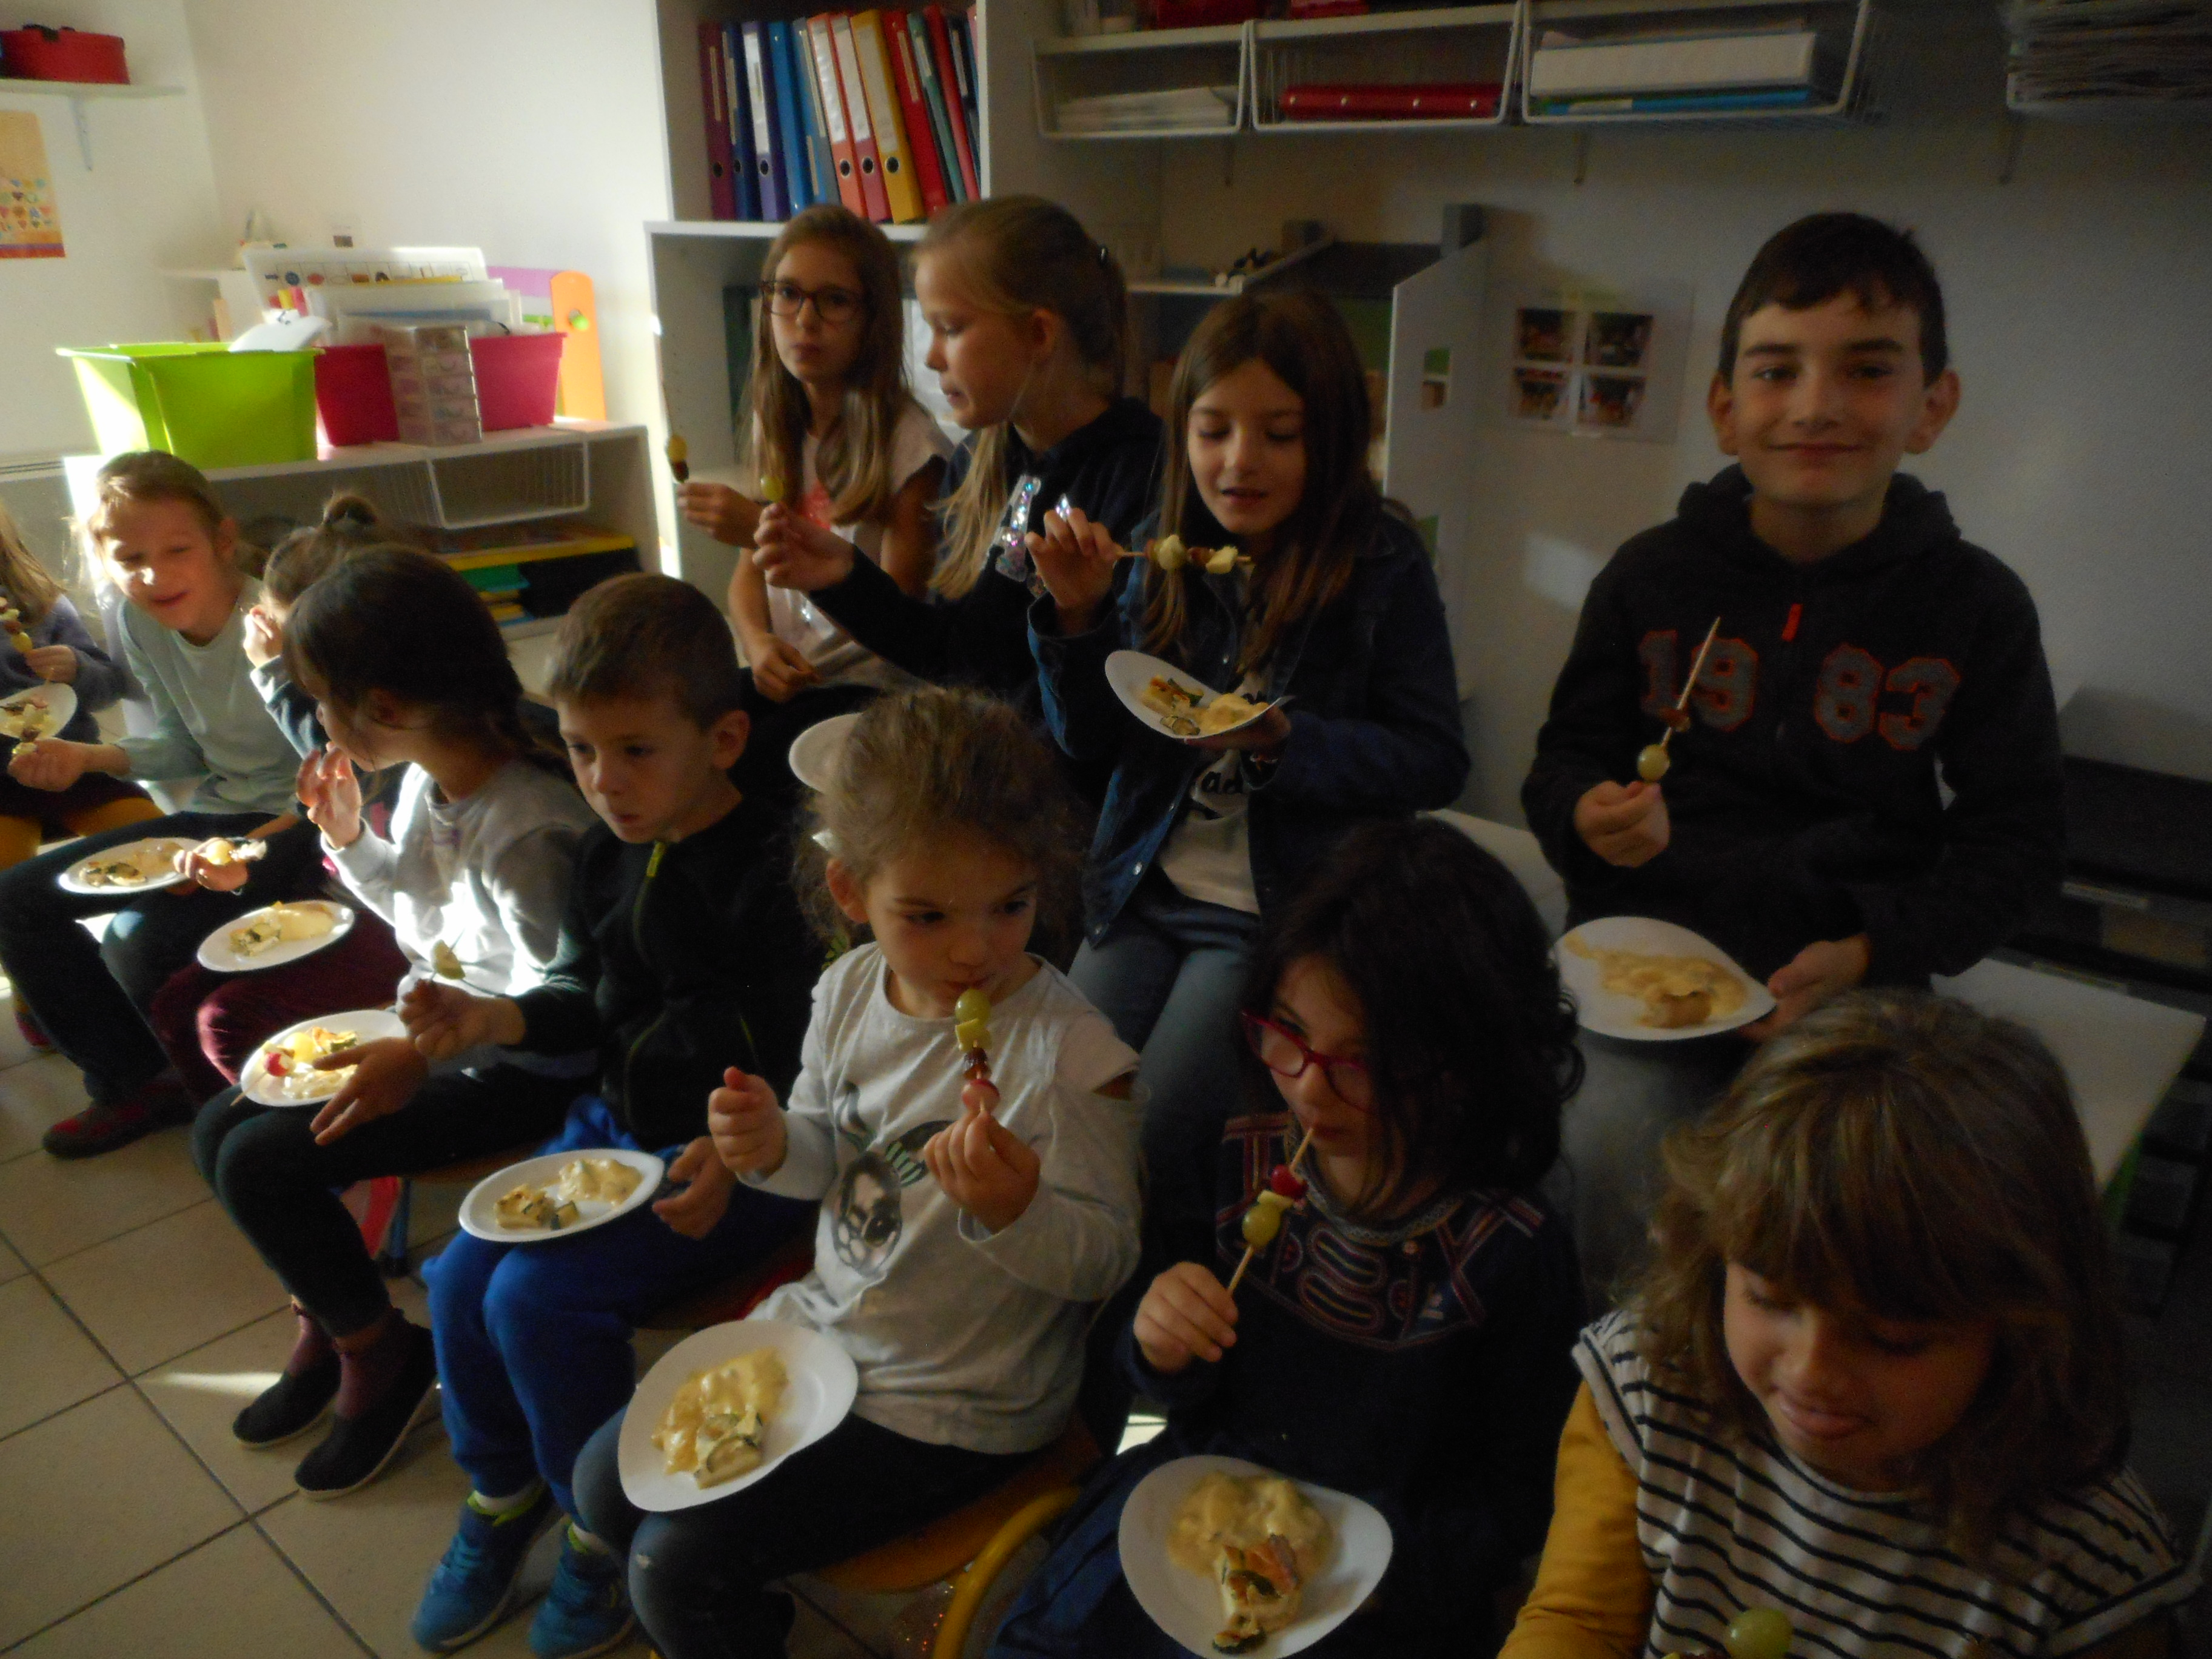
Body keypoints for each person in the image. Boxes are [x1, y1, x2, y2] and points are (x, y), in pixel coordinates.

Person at [1520, 213, 2066, 1299]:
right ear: (1725, 407)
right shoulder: (1648, 576)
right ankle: (1611, 1379)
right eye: (1776, 371)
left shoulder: (1976, 606)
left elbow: (2017, 844)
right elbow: (1563, 760)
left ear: (1931, 406)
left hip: (1854, 988)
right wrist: (1585, 813)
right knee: (1601, 1153)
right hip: (1648, 973)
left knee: (1848, 1215)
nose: (1816, 405)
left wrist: (1871, 948)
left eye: (1867, 370)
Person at [569, 686, 1144, 1659]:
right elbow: (827, 1158)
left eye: (1011, 906)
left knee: (676, 1572)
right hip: (827, 1334)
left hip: (964, 1399)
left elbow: (1107, 1259)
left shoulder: (1075, 1060)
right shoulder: (845, 992)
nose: (976, 949)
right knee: (602, 1487)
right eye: (927, 915)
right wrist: (771, 1147)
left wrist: (1020, 1209)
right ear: (850, 893)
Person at [992, 816, 1586, 1659]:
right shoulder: (1236, 1155)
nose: (1308, 1088)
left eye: (1362, 1062)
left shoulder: (1512, 1252)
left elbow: (1524, 1499)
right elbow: (1155, 1396)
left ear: (1464, 1064)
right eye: (1288, 1033)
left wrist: (1380, 1576)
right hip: (1202, 1506)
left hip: (1378, 1586)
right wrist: (1157, 1345)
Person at [392, 573, 819, 1658]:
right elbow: (585, 994)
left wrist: (735, 1146)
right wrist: (494, 1018)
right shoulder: (604, 850)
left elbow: (816, 1061)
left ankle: (600, 1528)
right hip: (610, 1133)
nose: (602, 780)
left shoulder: (782, 875)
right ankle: (502, 1496)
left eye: (634, 750)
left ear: (724, 738)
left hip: (741, 1158)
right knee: (459, 1276)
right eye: (581, 749)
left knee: (535, 1301)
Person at [1501, 991, 2193, 1659]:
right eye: (1768, 1299)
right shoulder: (1648, 1385)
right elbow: (1577, 1622)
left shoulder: (2091, 1559)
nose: (1810, 1371)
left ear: (2023, 1330)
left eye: (1893, 1340)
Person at [1026, 289, 1469, 1268]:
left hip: (1272, 911)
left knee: (1162, 1127)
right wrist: (1077, 620)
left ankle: (1164, 1304)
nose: (1239, 461)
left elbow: (1436, 756)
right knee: (1060, 1091)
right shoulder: (1157, 551)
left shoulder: (1380, 563)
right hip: (1141, 887)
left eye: (1278, 434)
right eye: (1213, 429)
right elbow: (1089, 743)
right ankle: (1076, 1289)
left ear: (1330, 438)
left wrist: (1285, 741)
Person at [190, 546, 600, 1500]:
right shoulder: (428, 777)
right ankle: (335, 1323)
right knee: (219, 1130)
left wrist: (418, 1051)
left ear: (384, 705)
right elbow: (429, 931)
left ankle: (381, 1353)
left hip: (527, 1072)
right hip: (443, 1036)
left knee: (260, 1163)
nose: (317, 722)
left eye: (321, 702)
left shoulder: (529, 827)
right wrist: (349, 840)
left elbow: (566, 1015)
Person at [0, 452, 326, 1156]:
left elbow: (333, 769)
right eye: (130, 559)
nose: (153, 575)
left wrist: (240, 847)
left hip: (301, 826)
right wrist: (85, 759)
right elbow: (183, 743)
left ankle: (202, 1082)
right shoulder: (138, 619)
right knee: (17, 898)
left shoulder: (273, 620)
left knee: (137, 941)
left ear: (223, 541)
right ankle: (136, 1081)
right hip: (218, 811)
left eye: (177, 550)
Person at [750, 196, 1164, 729]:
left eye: (950, 328)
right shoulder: (976, 462)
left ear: (1039, 334)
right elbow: (959, 659)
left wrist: (1078, 621)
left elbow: (1117, 718)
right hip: (978, 745)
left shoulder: (1144, 474)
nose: (930, 357)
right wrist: (846, 579)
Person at [675, 204, 953, 797]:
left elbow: (900, 623)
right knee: (676, 744)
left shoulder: (911, 447)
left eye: (834, 301)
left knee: (739, 777)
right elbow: (748, 579)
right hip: (791, 679)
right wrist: (758, 644)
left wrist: (758, 528)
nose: (805, 320)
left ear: (873, 319)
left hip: (871, 693)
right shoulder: (778, 422)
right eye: (788, 294)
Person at [149, 492, 413, 1102]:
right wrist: (244, 859)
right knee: (177, 1001)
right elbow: (312, 815)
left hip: (397, 927)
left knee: (224, 1019)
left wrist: (272, 679)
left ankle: (297, 1132)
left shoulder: (398, 723)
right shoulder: (337, 707)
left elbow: (352, 772)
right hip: (339, 897)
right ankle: (234, 1114)